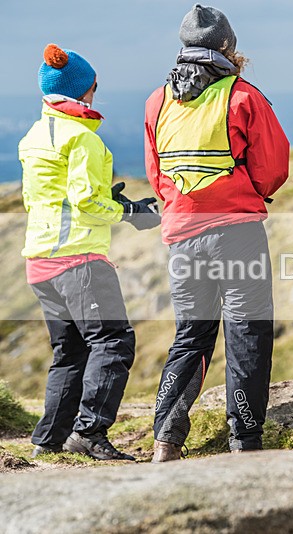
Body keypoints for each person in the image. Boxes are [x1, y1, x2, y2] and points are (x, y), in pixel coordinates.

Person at [145, 4, 290, 462]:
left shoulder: (157, 100)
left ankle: (166, 439)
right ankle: (245, 441)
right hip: (237, 234)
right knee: (247, 331)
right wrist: (246, 190)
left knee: (191, 334)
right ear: (227, 47)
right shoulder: (243, 96)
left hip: (182, 236)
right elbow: (273, 169)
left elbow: (156, 173)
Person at [20, 44, 160, 461]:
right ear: (83, 90)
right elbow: (85, 203)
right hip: (78, 259)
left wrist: (106, 198)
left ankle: (49, 439)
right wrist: (130, 210)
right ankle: (90, 431)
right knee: (114, 341)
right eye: (95, 86)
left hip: (40, 262)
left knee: (71, 351)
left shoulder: (33, 136)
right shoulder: (82, 139)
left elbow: (55, 195)